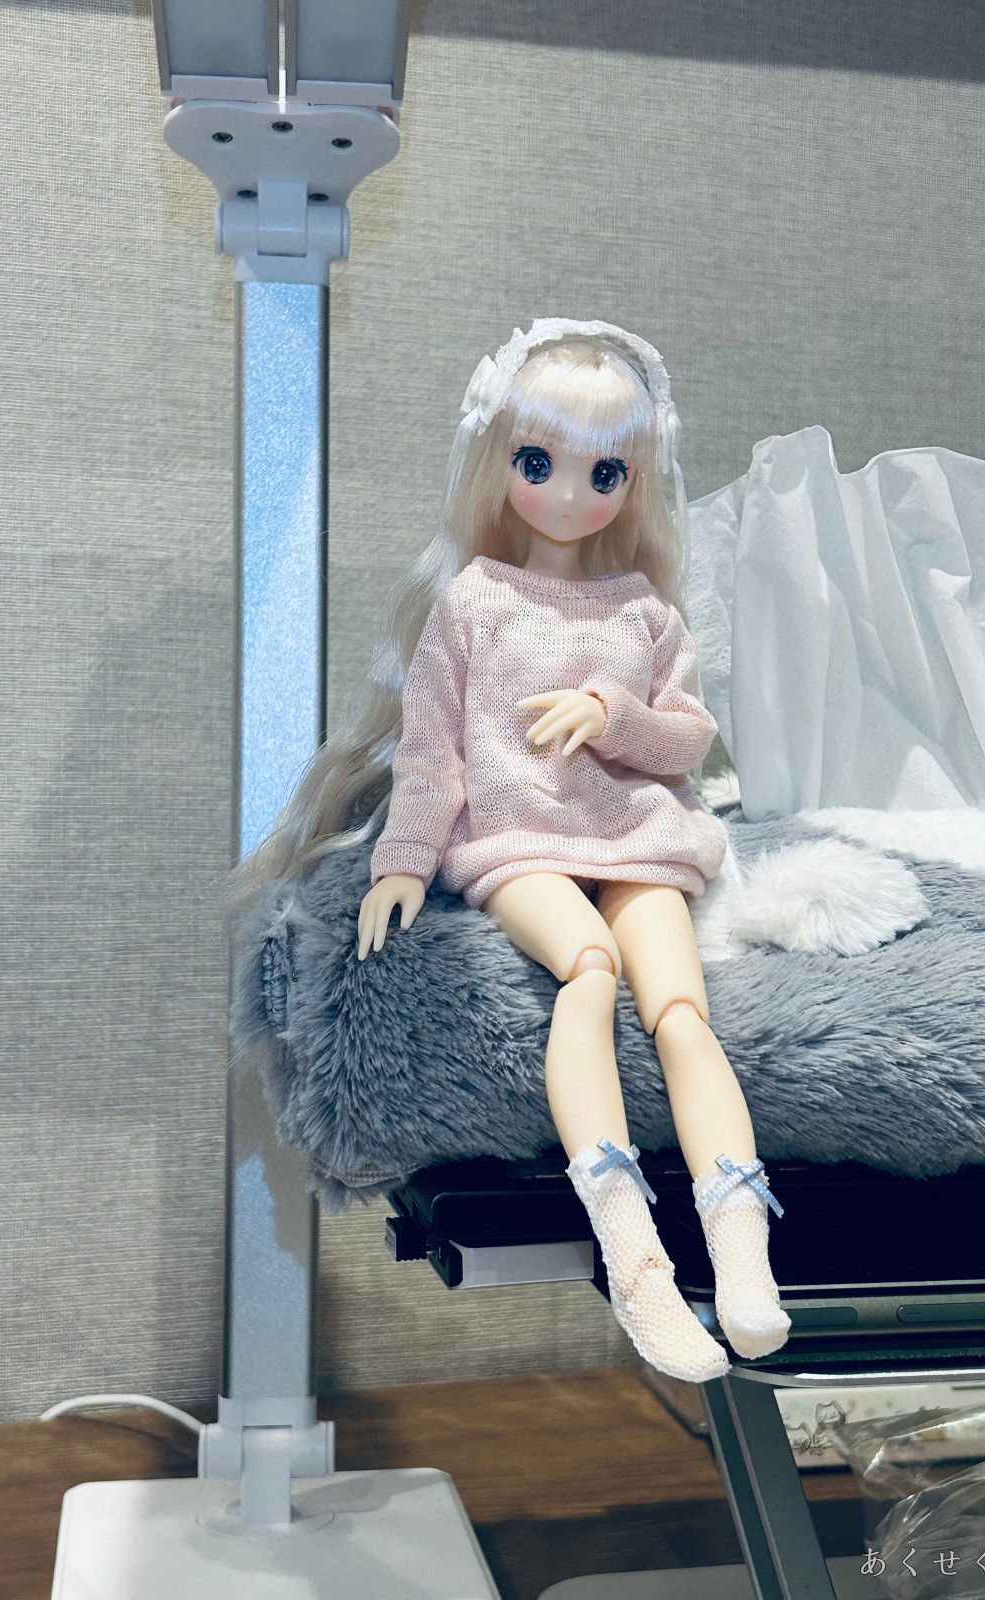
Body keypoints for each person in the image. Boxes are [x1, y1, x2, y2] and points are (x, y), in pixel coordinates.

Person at [241, 319, 790, 1381]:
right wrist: (404, 859)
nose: (571, 494)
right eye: (540, 464)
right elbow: (433, 754)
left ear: (635, 481)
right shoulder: (475, 602)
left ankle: (739, 1241)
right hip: (521, 838)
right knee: (588, 967)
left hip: (637, 834)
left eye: (604, 473)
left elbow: (687, 738)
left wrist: (614, 715)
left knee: (681, 1010)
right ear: (500, 465)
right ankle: (634, 1252)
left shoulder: (642, 610)